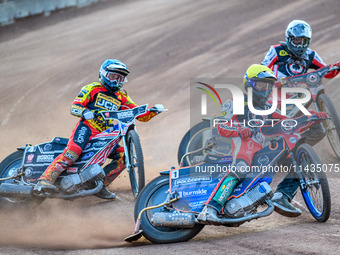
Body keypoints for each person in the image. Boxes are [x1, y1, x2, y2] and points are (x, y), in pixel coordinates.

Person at [197, 64, 327, 222]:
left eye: (268, 86)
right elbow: (221, 125)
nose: (265, 90)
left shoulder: (268, 107)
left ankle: (282, 196)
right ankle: (211, 208)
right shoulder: (237, 102)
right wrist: (239, 130)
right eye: (261, 85)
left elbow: (289, 121)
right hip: (242, 145)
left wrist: (312, 115)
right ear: (249, 85)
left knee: (299, 163)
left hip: (262, 149)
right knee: (241, 168)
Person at [34, 59, 164, 199]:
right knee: (72, 153)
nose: (115, 81)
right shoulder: (92, 88)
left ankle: (101, 185)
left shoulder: (121, 96)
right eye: (112, 76)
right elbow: (75, 106)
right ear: (103, 74)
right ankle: (45, 180)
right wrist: (85, 112)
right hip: (87, 128)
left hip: (104, 134)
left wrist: (154, 111)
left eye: (119, 78)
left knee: (123, 157)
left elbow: (138, 114)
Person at [261, 20, 340, 217]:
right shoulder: (277, 51)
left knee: (318, 130)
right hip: (273, 101)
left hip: (297, 104)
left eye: (304, 40)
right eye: (296, 40)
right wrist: (272, 79)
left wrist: (336, 67)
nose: (300, 44)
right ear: (289, 38)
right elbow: (263, 68)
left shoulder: (311, 55)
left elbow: (326, 72)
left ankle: (294, 155)